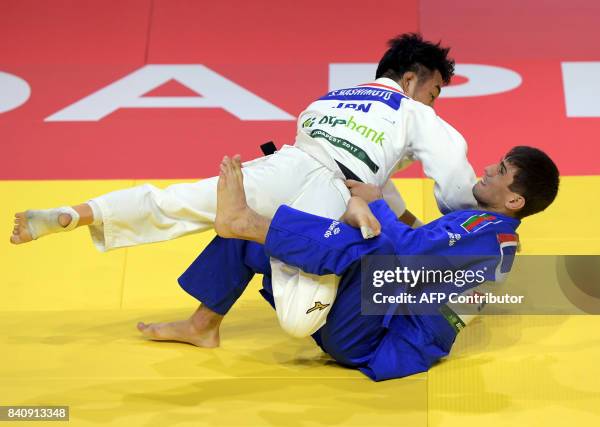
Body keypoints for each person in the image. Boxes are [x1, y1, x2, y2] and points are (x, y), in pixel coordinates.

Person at [11, 34, 477, 337]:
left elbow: (373, 181)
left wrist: (406, 220)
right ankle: (255, 234)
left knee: (181, 200)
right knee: (299, 320)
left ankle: (80, 213)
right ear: (412, 79)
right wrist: (466, 218)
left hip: (285, 166)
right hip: (326, 193)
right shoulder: (415, 112)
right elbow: (451, 173)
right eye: (435, 92)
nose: (435, 103)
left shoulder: (332, 98)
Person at [138, 147, 559, 381]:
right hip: (371, 321)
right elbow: (430, 254)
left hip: (374, 341)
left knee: (371, 245)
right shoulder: (492, 235)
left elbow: (409, 255)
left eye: (500, 170)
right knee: (252, 239)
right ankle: (202, 325)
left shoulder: (485, 230)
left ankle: (249, 220)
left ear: (514, 201)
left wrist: (374, 204)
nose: (487, 168)